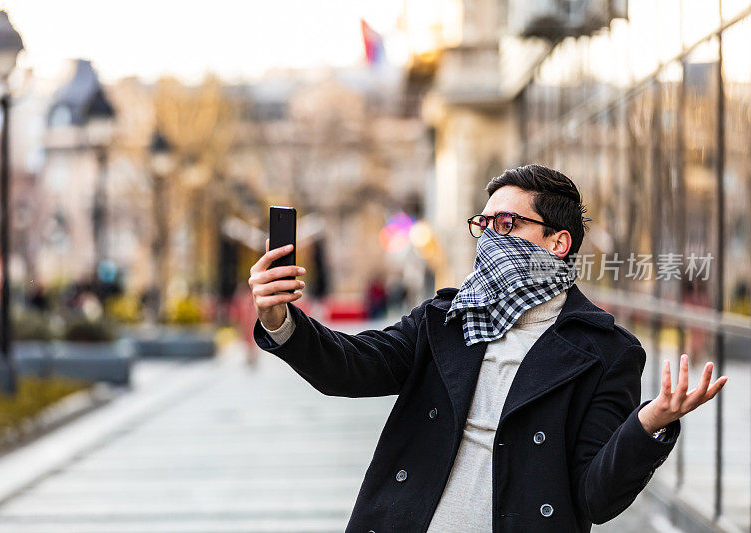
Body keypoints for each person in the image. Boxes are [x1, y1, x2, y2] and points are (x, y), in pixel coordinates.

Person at [247, 164, 727, 532]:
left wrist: (648, 425)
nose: (490, 239)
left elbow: (595, 498)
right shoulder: (446, 318)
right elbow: (352, 368)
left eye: (507, 223)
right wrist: (281, 320)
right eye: (485, 224)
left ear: (558, 242)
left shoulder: (607, 351)